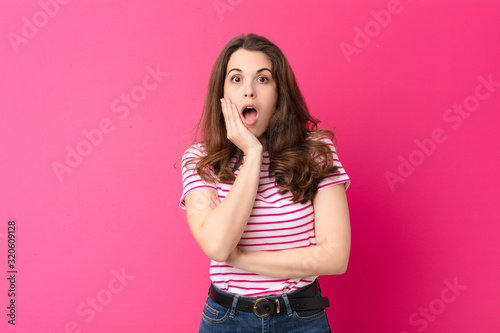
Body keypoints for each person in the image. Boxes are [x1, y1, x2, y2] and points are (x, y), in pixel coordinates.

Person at [179, 33, 351, 332]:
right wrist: (253, 153)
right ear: (222, 94)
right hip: (227, 321)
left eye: (262, 79)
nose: (249, 92)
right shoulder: (200, 159)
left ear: (279, 93)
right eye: (236, 79)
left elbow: (335, 257)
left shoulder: (316, 151)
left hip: (301, 318)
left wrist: (242, 259)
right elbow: (219, 246)